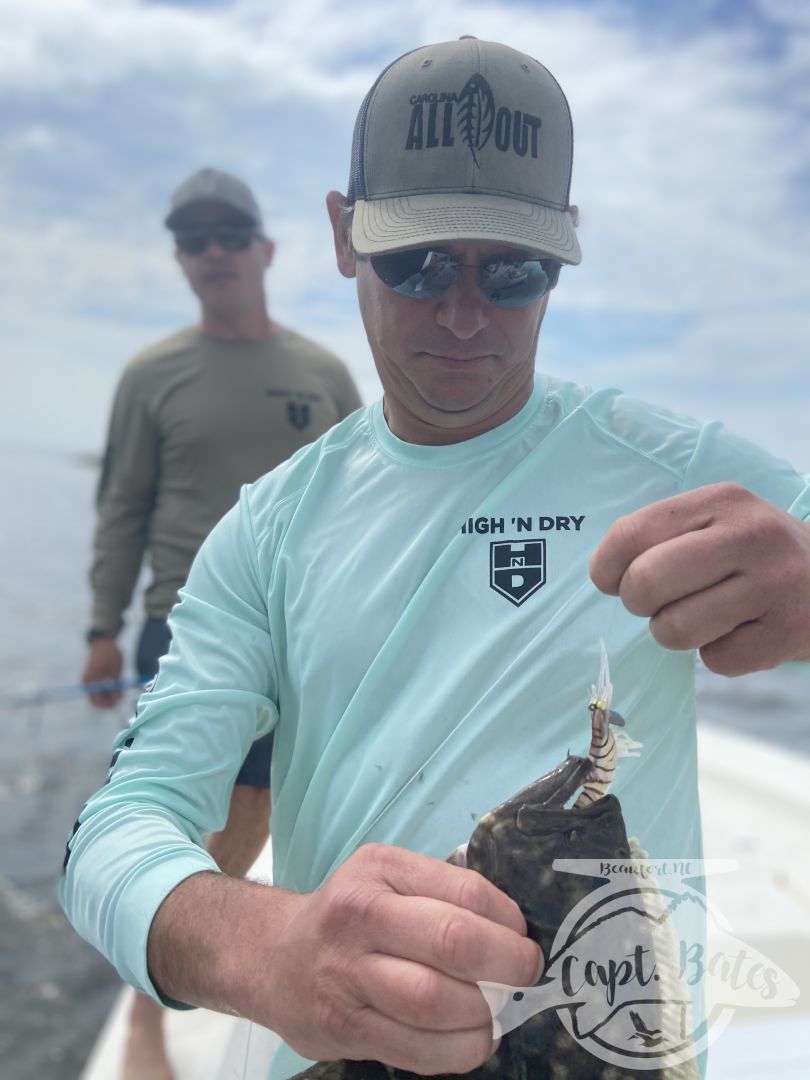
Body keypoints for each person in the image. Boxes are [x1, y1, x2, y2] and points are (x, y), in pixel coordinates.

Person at [61, 39, 810, 1080]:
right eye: (415, 263)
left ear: (564, 251)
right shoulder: (265, 532)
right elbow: (115, 833)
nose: (463, 314)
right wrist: (266, 947)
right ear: (340, 234)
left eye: (511, 271)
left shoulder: (671, 470)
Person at [78, 166, 361, 1078]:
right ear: (180, 259)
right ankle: (149, 1017)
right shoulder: (149, 375)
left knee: (306, 814)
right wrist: (99, 628)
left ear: (266, 250)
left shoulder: (323, 374)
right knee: (197, 832)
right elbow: (122, 507)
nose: (211, 252)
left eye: (227, 234)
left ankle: (317, 1003)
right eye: (191, 239)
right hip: (186, 632)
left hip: (317, 634)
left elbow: (376, 502)